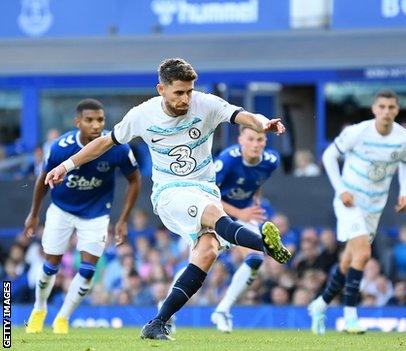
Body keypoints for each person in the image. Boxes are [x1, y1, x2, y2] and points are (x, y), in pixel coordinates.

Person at [44, 58, 292, 340]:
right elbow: (103, 143)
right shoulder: (143, 115)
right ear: (161, 89)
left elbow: (244, 116)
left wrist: (263, 124)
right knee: (213, 213)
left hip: (204, 187)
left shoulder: (206, 104)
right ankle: (264, 244)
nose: (186, 98)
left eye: (189, 91)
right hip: (169, 192)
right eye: (179, 92)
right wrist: (66, 166)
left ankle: (157, 323)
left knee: (207, 252)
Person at [24, 99, 141, 334]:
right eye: (89, 120)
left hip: (96, 213)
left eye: (100, 120)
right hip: (62, 210)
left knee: (88, 271)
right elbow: (42, 180)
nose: (96, 125)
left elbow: (135, 180)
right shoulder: (60, 147)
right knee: (50, 267)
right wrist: (34, 214)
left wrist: (123, 219)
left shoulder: (117, 146)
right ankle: (39, 308)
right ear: (78, 122)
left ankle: (63, 318)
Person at [308, 90, 406, 334]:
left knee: (349, 260)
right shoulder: (358, 132)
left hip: (374, 207)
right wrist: (341, 190)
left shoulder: (404, 138)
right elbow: (329, 155)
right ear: (374, 109)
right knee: (364, 254)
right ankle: (350, 316)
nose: (386, 111)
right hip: (349, 202)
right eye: (382, 107)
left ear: (397, 110)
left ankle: (320, 304)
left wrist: (405, 191)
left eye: (391, 107)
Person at [207, 125, 280, 332]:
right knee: (199, 266)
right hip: (214, 214)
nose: (256, 144)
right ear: (240, 140)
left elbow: (257, 180)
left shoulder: (271, 160)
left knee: (256, 258)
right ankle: (166, 309)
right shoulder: (227, 160)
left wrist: (255, 201)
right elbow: (209, 194)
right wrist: (241, 214)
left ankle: (222, 310)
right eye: (251, 139)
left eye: (260, 140)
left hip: (242, 215)